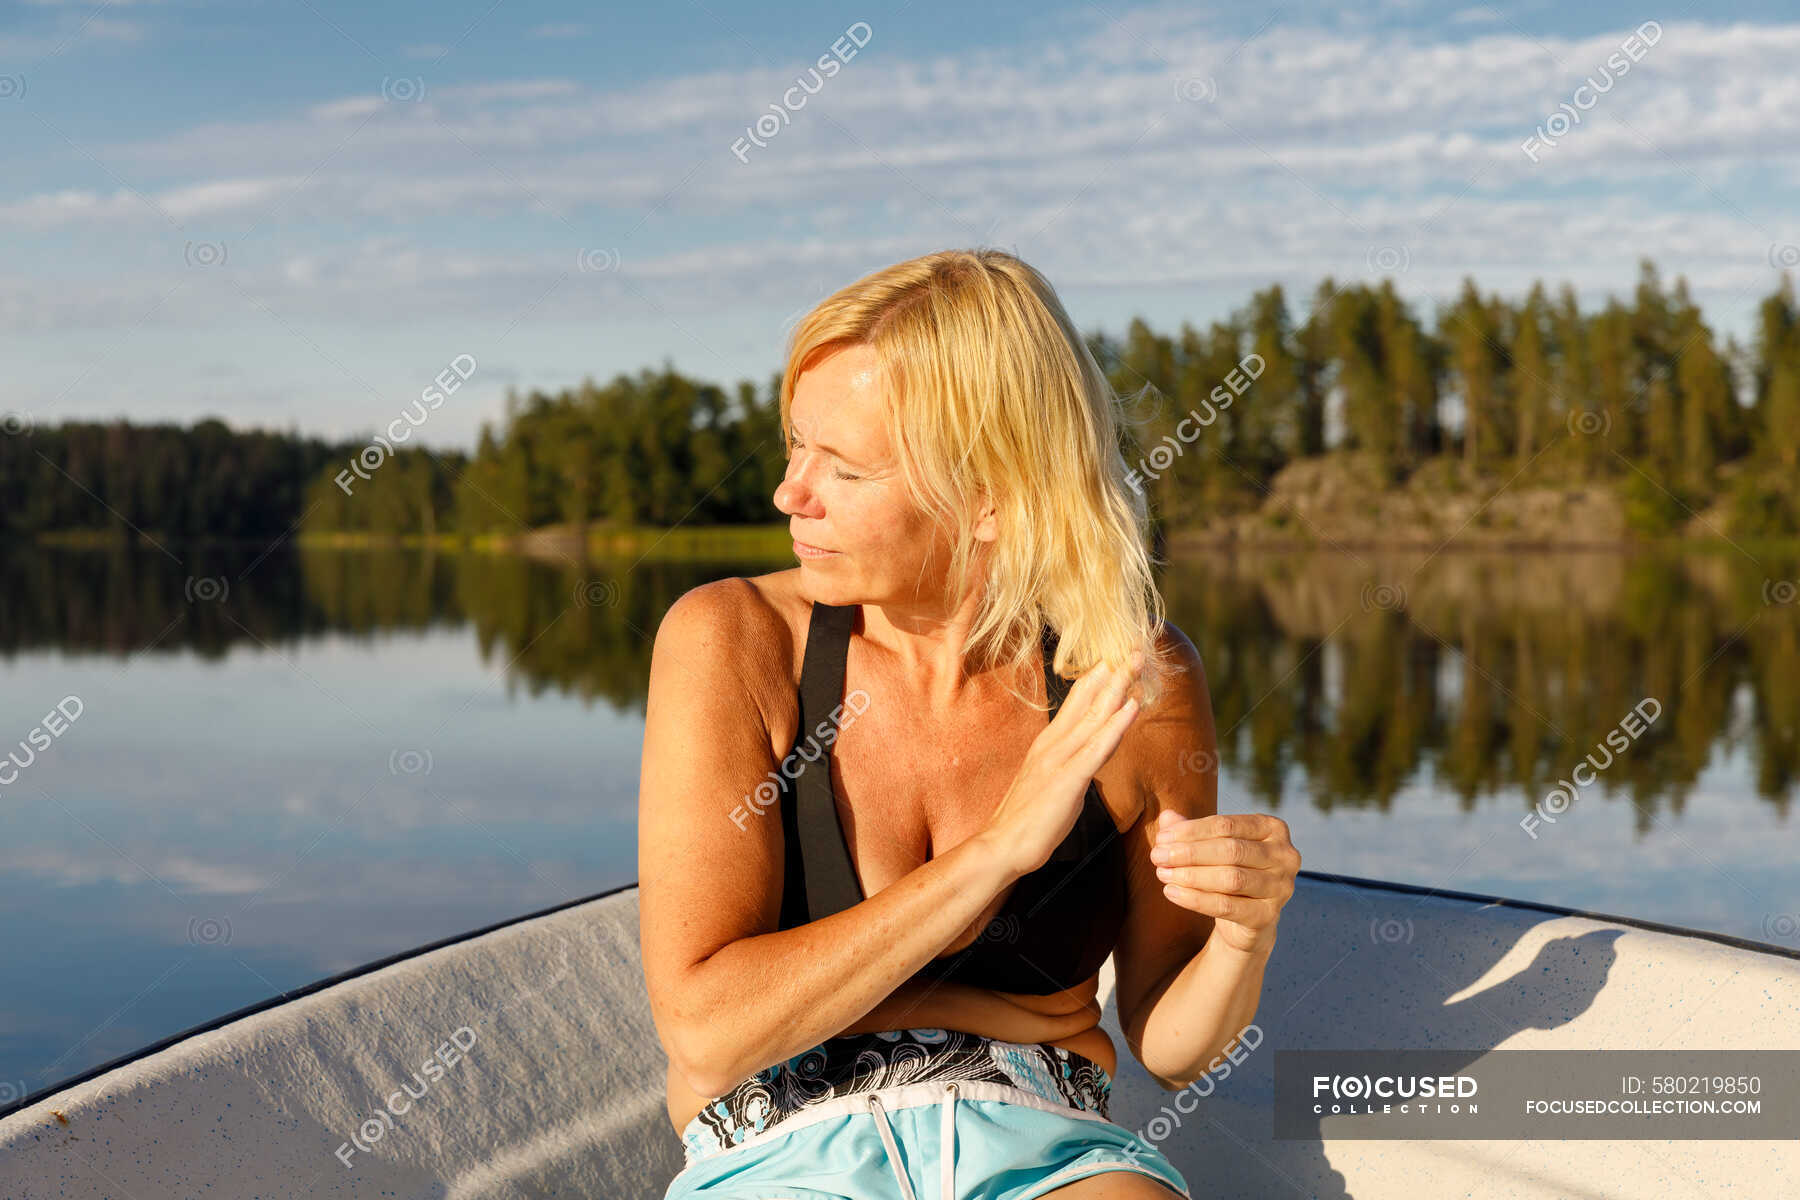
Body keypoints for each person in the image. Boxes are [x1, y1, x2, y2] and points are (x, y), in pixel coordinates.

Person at [638, 248, 1300, 1200]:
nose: (791, 492)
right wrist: (996, 853)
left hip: (1047, 1140)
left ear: (989, 497)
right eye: (795, 445)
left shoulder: (1130, 678)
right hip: (785, 1137)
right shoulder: (732, 641)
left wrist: (1245, 935)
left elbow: (1171, 1045)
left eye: (846, 468)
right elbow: (707, 1028)